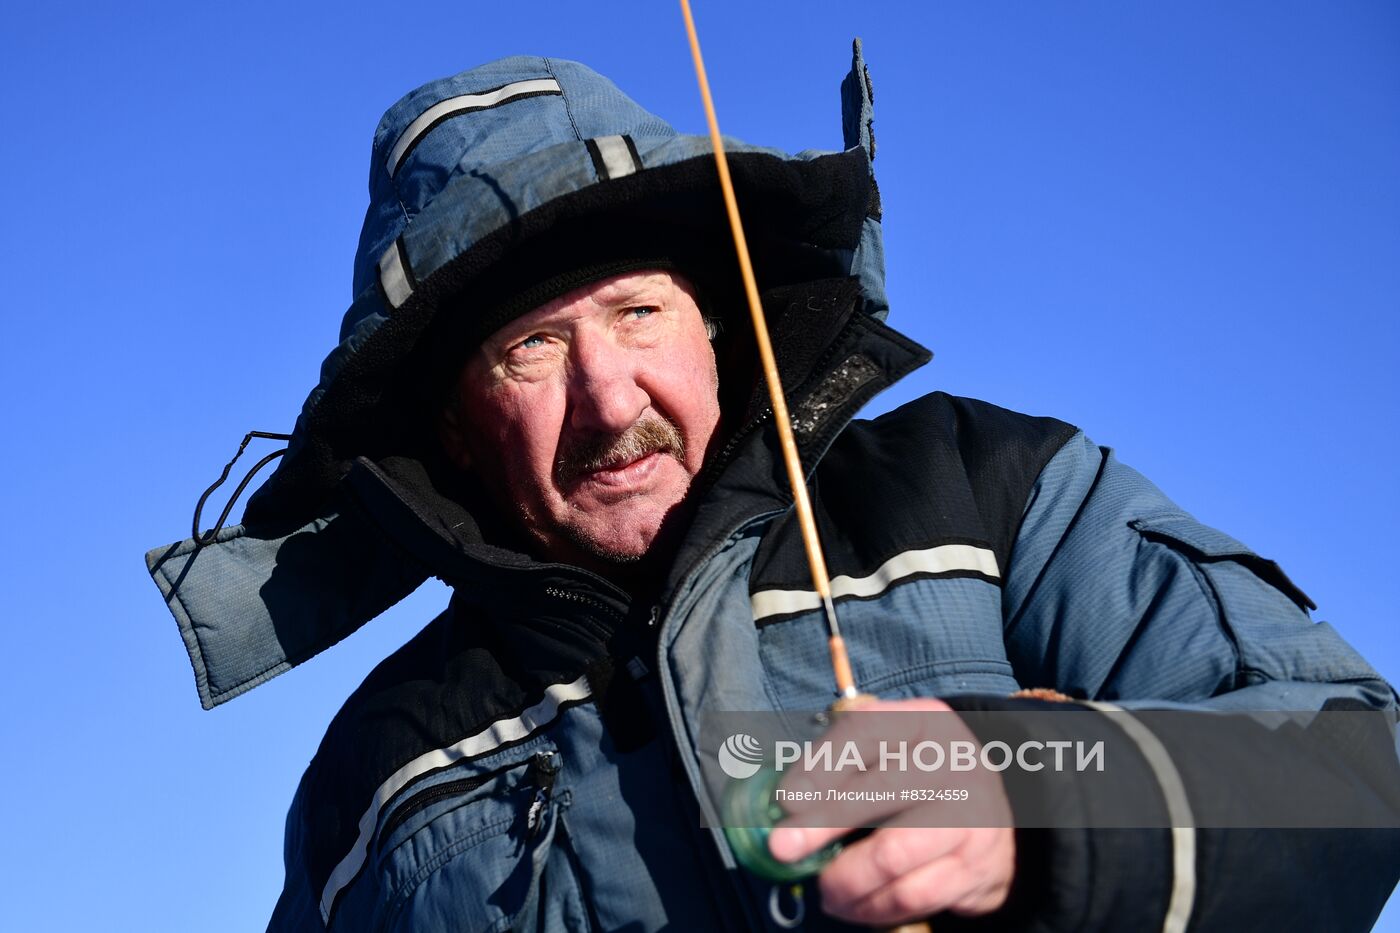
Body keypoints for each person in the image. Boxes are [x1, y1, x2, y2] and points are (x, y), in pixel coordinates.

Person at [145, 49, 1399, 931]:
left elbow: (1358, 768)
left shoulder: (983, 489)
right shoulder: (372, 772)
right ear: (452, 434)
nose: (610, 397)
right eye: (530, 350)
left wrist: (1037, 791)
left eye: (640, 312)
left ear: (718, 326)